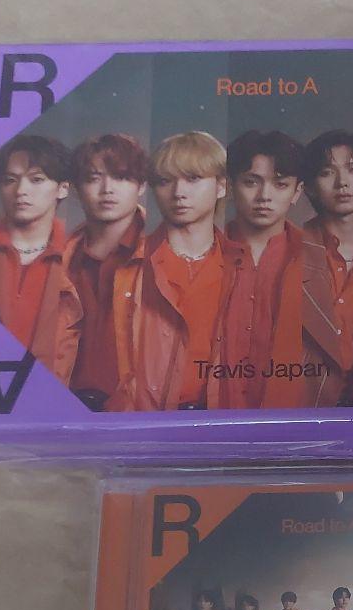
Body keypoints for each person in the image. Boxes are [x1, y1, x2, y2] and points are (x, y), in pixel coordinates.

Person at [133, 131, 248, 410]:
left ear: (221, 186)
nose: (178, 193)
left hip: (222, 420)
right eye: (165, 181)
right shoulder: (133, 264)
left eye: (193, 178)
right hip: (149, 420)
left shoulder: (243, 265)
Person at [0, 134, 81, 383]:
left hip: (49, 397)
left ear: (63, 188)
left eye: (36, 179)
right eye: (10, 180)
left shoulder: (77, 257)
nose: (21, 191)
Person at [299, 130, 353, 407]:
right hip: (303, 409)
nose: (342, 182)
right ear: (309, 187)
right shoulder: (289, 253)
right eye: (327, 172)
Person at [64, 133, 148, 411]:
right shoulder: (60, 259)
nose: (107, 189)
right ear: (75, 188)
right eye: (93, 178)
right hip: (66, 409)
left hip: (137, 412)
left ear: (142, 186)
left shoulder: (163, 254)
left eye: (121, 177)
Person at [224, 129, 307, 408]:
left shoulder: (316, 258)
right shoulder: (207, 252)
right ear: (230, 186)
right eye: (251, 182)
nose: (264, 196)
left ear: (297, 192)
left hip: (290, 416)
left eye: (280, 184)